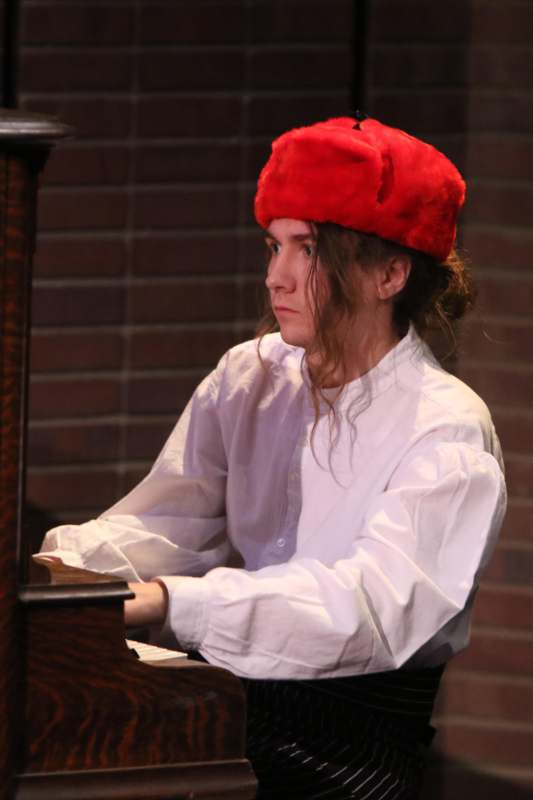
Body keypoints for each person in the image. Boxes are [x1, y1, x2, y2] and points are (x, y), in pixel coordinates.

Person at [41, 115, 507, 799]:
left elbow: (367, 610)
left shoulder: (445, 429)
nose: (276, 278)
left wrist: (172, 603)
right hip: (231, 709)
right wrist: (58, 571)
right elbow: (172, 522)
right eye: (273, 245)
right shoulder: (250, 374)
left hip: (351, 752)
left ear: (388, 274)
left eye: (309, 250)